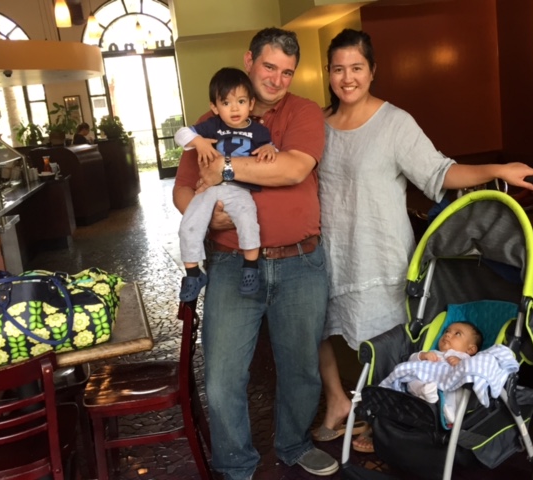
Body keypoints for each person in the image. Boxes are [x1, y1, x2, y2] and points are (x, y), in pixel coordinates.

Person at [314, 28, 533, 454]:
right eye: (338, 69)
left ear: (373, 71)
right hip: (331, 252)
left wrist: (498, 170)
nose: (347, 78)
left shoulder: (394, 123)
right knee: (318, 331)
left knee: (386, 345)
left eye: (357, 68)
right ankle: (337, 401)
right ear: (328, 72)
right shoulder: (318, 126)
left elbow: (440, 172)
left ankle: (387, 423)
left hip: (379, 255)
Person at [172, 28, 338, 479]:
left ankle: (294, 444)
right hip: (230, 263)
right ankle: (235, 465)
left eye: (287, 72)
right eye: (269, 66)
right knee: (223, 374)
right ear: (249, 61)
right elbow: (183, 188)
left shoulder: (303, 111)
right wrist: (208, 217)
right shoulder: (212, 118)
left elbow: (293, 168)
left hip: (301, 261)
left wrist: (224, 168)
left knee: (301, 369)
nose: (277, 79)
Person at [173, 67, 276, 301]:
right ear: (215, 107)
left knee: (248, 219)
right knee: (190, 222)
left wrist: (270, 149)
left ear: (251, 103)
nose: (234, 108)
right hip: (208, 188)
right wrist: (198, 141)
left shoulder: (259, 131)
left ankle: (250, 267)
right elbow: (181, 135)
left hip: (239, 189)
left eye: (241, 101)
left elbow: (272, 151)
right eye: (226, 103)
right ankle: (192, 273)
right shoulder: (211, 126)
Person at [397, 322, 482, 424]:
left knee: (458, 390)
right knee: (412, 381)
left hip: (448, 384)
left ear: (470, 349)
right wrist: (422, 356)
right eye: (447, 331)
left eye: (457, 333)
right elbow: (411, 362)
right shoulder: (434, 353)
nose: (448, 334)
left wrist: (461, 364)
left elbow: (477, 373)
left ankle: (449, 411)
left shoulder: (468, 360)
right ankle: (425, 392)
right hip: (426, 381)